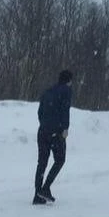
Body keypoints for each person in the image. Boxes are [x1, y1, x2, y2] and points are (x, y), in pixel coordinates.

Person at [33, 69, 74, 205]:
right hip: (56, 133)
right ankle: (45, 188)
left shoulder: (47, 92)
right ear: (69, 81)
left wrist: (45, 125)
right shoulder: (66, 91)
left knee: (42, 162)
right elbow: (65, 110)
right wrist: (64, 129)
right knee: (60, 160)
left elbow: (40, 112)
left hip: (43, 131)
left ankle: (37, 195)